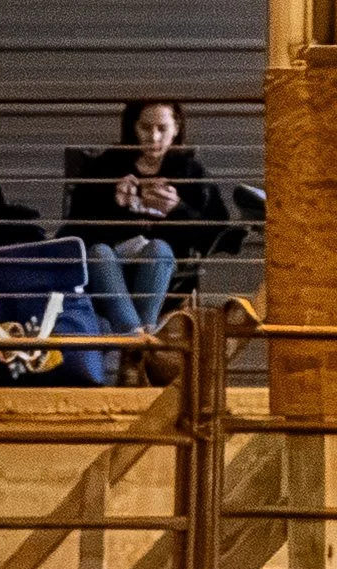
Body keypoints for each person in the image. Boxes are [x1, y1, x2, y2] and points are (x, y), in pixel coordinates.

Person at [60, 99, 228, 384]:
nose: (153, 137)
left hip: (164, 271)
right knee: (99, 252)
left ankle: (131, 349)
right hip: (110, 269)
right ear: (133, 128)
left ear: (176, 129)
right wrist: (112, 203)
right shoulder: (107, 166)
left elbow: (216, 229)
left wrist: (178, 209)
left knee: (159, 249)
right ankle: (140, 342)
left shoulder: (190, 172)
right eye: (145, 128)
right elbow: (74, 229)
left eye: (162, 128)